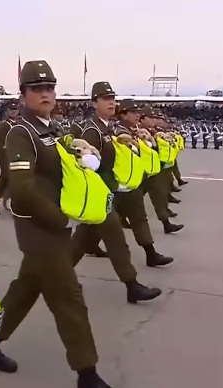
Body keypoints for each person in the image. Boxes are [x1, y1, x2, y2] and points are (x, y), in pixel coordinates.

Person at [0, 60, 113, 388]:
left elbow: (68, 164)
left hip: (55, 227)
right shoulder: (21, 133)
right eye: (37, 89)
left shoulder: (54, 129)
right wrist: (58, 217)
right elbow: (23, 188)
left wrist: (82, 150)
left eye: (49, 88)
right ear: (23, 94)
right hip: (38, 229)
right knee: (69, 298)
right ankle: (87, 374)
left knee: (24, 290)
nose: (45, 94)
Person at [70, 82, 162, 303]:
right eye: (104, 98)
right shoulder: (92, 130)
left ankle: (54, 275)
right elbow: (86, 163)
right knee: (115, 239)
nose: (111, 102)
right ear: (94, 103)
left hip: (110, 190)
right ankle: (132, 286)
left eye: (112, 97)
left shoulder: (107, 127)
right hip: (101, 192)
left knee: (82, 241)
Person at [114, 100, 174, 267]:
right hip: (119, 185)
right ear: (123, 114)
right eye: (133, 112)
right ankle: (67, 261)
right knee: (94, 228)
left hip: (134, 182)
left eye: (138, 112)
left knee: (139, 218)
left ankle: (151, 253)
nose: (137, 115)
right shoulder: (119, 132)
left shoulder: (136, 130)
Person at [138, 107, 184, 232]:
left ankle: (166, 223)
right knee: (130, 201)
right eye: (151, 118)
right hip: (140, 172)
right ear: (143, 119)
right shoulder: (136, 131)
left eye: (155, 118)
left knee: (158, 194)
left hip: (151, 170)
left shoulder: (153, 130)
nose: (154, 120)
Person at [0, 99, 19, 214]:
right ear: (7, 111)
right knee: (8, 179)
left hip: (13, 156)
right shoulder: (5, 125)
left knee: (4, 181)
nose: (13, 112)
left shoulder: (16, 124)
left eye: (15, 109)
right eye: (11, 110)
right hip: (5, 157)